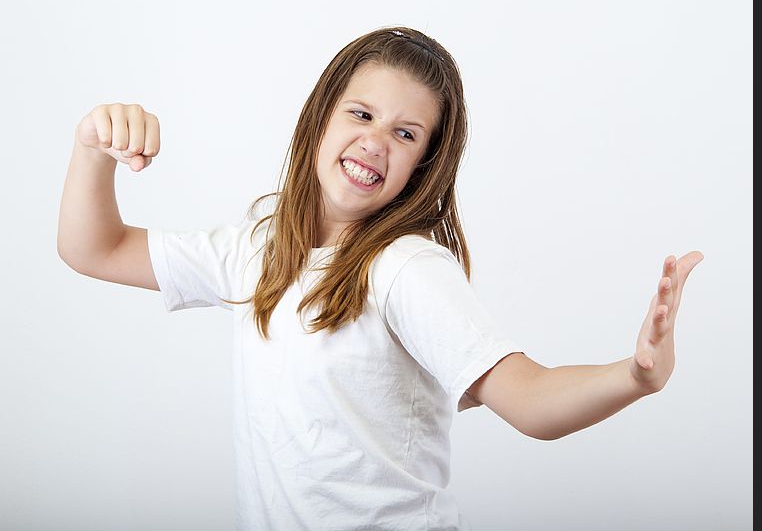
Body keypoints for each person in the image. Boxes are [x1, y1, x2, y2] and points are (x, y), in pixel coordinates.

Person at [57, 26, 704, 531]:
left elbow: (527, 396)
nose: (375, 141)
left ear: (422, 167)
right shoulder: (257, 251)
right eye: (361, 115)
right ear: (320, 118)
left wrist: (634, 375)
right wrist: (93, 147)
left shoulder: (405, 271)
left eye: (404, 132)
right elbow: (96, 248)